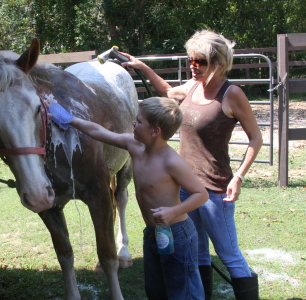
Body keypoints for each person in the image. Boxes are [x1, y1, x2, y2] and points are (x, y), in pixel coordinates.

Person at [120, 30, 263, 300]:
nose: (193, 66)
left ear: (219, 63)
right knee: (197, 254)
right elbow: (167, 91)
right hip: (185, 188)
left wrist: (239, 177)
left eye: (200, 61)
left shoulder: (232, 94)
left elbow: (256, 137)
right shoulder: (194, 86)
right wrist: (142, 67)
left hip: (215, 190)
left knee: (228, 255)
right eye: (190, 60)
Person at [48, 97, 209, 300]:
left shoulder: (171, 162)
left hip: (177, 234)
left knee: (182, 290)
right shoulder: (134, 145)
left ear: (155, 131)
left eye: (139, 121)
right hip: (153, 233)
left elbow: (201, 194)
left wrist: (173, 211)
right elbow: (99, 132)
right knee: (155, 289)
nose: (133, 123)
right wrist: (70, 119)